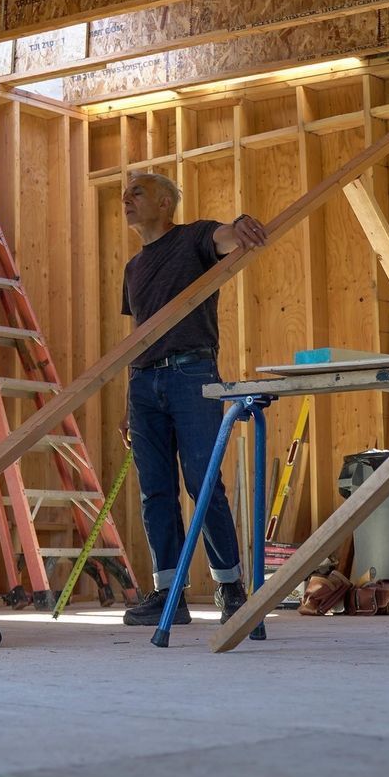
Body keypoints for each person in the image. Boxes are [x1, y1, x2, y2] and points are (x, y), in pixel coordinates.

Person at [117, 170, 268, 627]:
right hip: (144, 382)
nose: (126, 199)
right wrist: (129, 401)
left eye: (137, 192)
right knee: (155, 492)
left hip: (191, 373)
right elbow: (139, 335)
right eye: (125, 194)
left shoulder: (193, 237)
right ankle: (169, 596)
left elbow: (225, 239)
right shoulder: (133, 269)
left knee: (203, 483)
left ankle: (231, 590)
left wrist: (238, 224)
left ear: (165, 203)